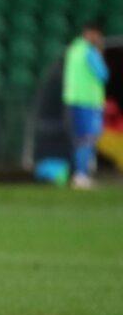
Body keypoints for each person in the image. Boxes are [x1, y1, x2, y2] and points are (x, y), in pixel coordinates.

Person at [63, 19, 110, 189]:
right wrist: (100, 53)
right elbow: (103, 74)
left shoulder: (74, 49)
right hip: (87, 101)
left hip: (73, 99)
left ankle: (79, 173)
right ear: (92, 33)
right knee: (88, 139)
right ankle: (81, 175)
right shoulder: (90, 52)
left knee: (80, 139)